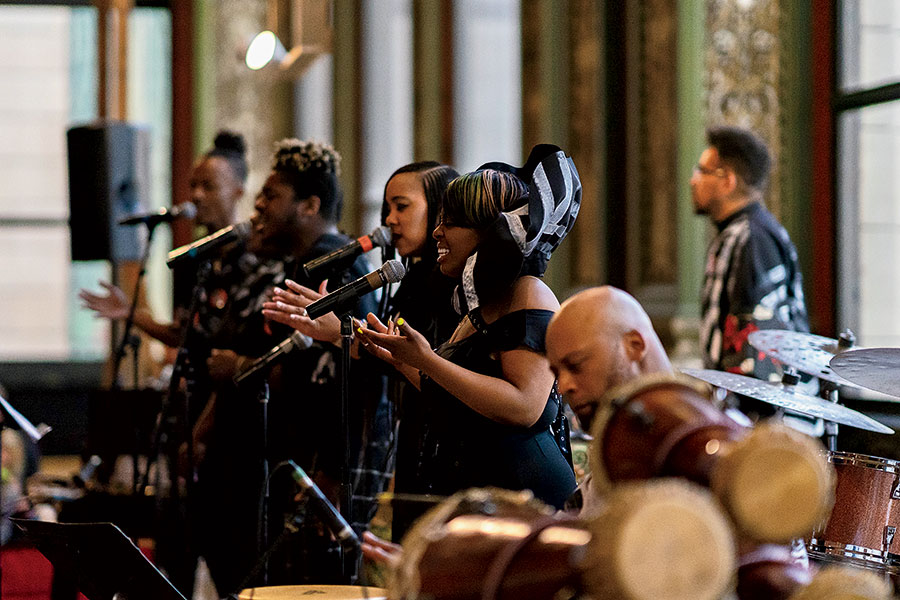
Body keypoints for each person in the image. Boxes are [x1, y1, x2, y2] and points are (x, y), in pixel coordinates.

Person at [193, 138, 384, 594]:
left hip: (318, 465)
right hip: (281, 456)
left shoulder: (341, 267)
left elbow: (353, 379)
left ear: (310, 205)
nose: (257, 204)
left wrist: (334, 473)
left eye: (271, 195)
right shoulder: (295, 268)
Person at [355, 145, 582, 512]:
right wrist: (398, 358)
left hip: (526, 498)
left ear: (490, 231)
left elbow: (525, 406)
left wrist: (427, 361)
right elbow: (455, 394)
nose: (437, 233)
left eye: (451, 222)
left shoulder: (529, 292)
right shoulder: (478, 303)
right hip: (479, 493)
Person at [263, 161, 460, 540]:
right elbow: (390, 360)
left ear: (439, 208)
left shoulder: (449, 288)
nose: (389, 220)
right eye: (388, 208)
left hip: (440, 447)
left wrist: (342, 333)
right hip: (409, 439)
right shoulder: (412, 279)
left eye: (402, 207)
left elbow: (420, 362)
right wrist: (336, 333)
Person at [79, 130, 250, 349]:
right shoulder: (191, 257)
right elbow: (182, 335)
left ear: (238, 191)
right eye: (193, 186)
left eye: (208, 186)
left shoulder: (255, 255)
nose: (197, 195)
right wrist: (129, 313)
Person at [691, 126, 809, 379]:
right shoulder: (737, 234)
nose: (693, 180)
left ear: (727, 180)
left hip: (762, 413)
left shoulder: (752, 239)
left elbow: (757, 351)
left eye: (701, 171)